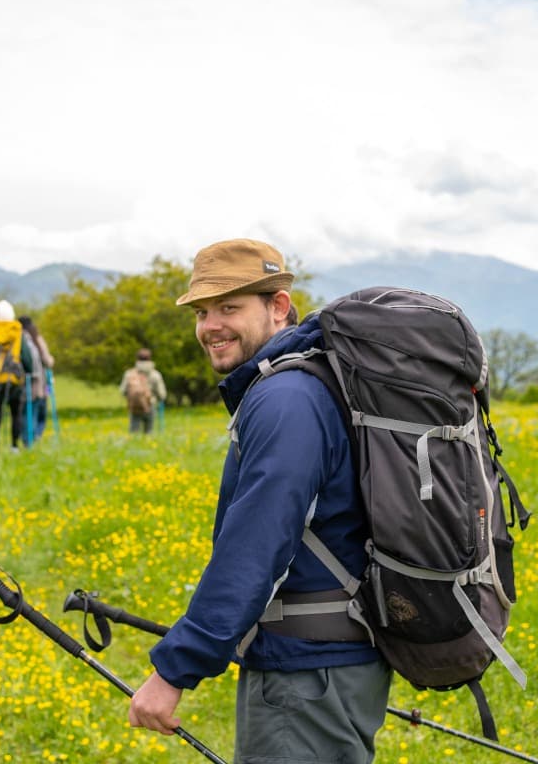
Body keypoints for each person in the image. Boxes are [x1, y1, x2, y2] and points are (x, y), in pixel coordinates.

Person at [128, 239, 390, 763]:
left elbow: (257, 546)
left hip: (306, 674)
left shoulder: (286, 398)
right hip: (323, 664)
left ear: (277, 306)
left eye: (230, 307)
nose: (210, 326)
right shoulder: (298, 383)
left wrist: (175, 669)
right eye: (203, 312)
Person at [0, 300, 37, 452]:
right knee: (15, 413)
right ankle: (14, 446)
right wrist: (29, 371)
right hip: (13, 379)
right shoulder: (16, 330)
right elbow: (25, 356)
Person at [19, 316, 55, 441]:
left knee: (29, 413)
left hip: (31, 385)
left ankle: (30, 439)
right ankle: (35, 437)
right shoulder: (38, 339)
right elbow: (48, 361)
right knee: (40, 412)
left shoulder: (19, 340)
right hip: (44, 384)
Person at [118, 347, 167, 434]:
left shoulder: (129, 374)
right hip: (150, 405)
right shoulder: (155, 374)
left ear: (137, 359)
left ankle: (133, 446)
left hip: (134, 406)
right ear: (150, 359)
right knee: (149, 431)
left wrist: (133, 397)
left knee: (134, 432)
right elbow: (162, 394)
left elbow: (123, 390)